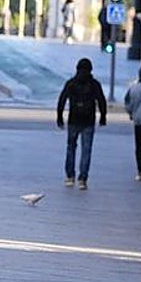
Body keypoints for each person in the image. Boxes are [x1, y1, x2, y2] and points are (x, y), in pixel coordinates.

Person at [56, 56, 107, 190]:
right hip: (88, 121)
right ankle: (82, 179)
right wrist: (103, 116)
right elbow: (101, 100)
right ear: (90, 70)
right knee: (86, 150)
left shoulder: (71, 83)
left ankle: (69, 176)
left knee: (71, 148)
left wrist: (59, 116)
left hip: (74, 120)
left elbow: (62, 99)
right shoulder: (94, 84)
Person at [126, 66, 141, 182]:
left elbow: (128, 103)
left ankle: (140, 170)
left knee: (139, 146)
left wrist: (131, 113)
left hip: (138, 121)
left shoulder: (133, 88)